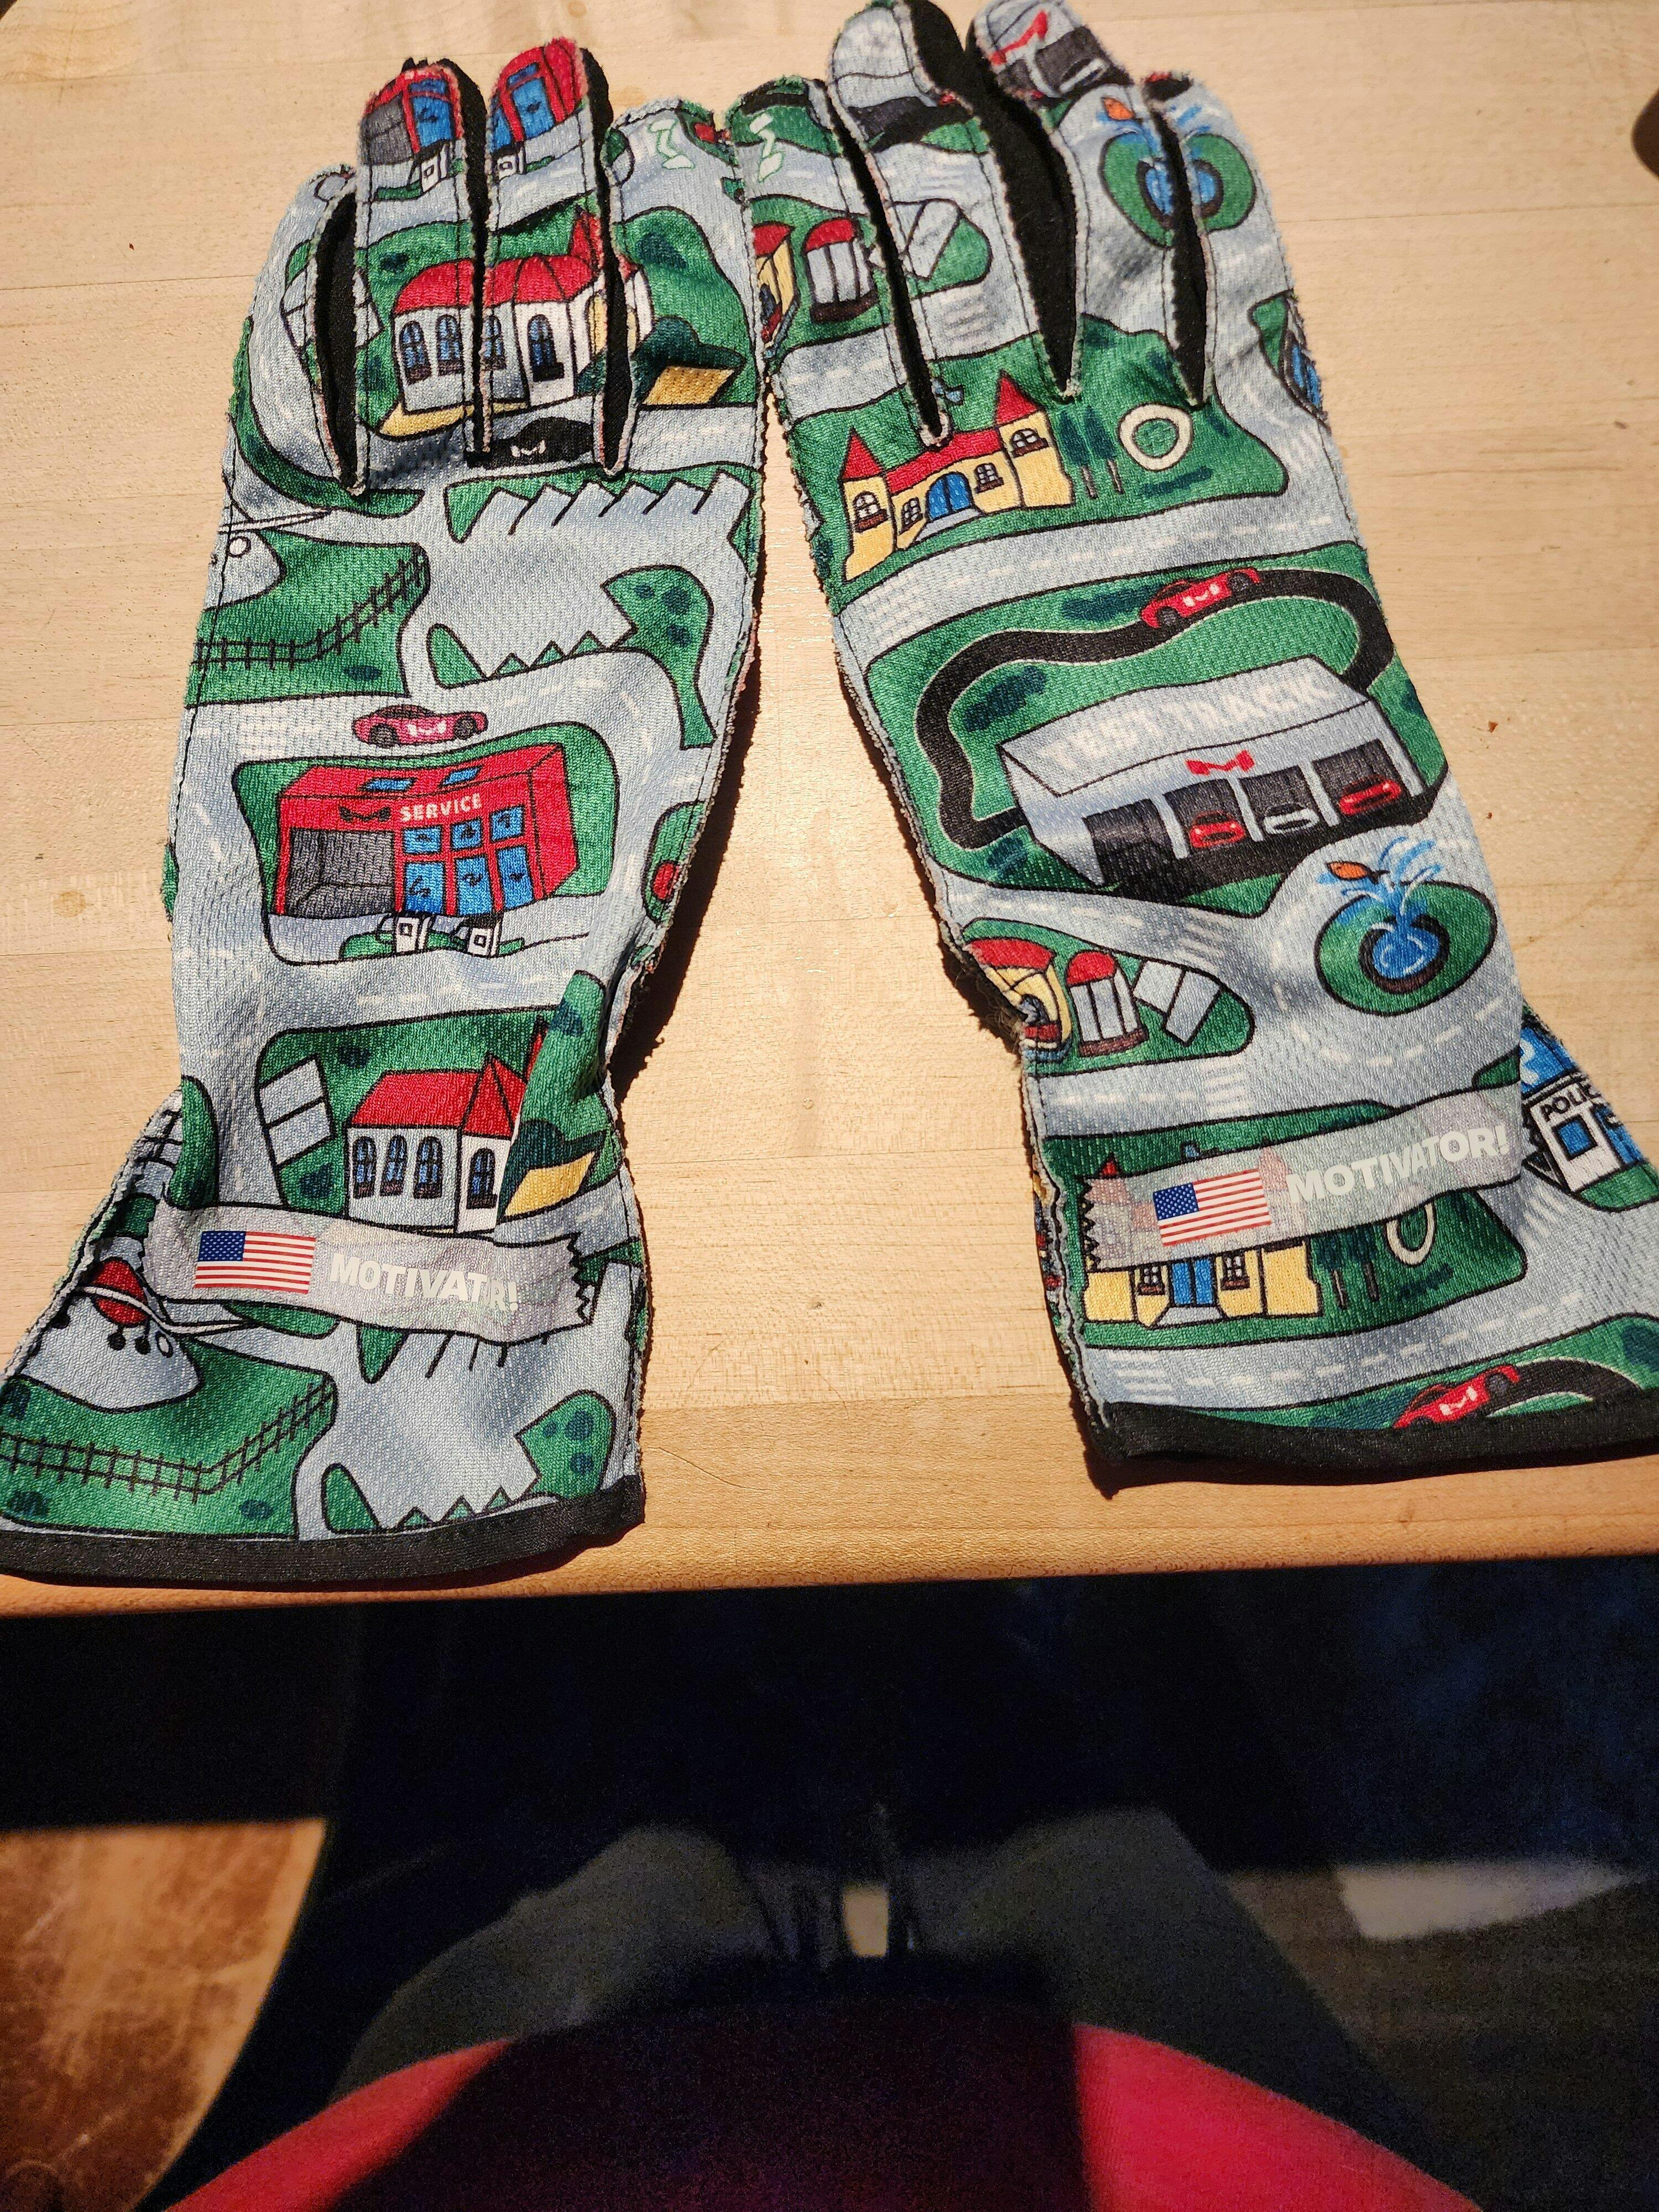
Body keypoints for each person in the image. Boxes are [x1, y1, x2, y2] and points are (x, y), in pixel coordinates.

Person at [170, 1813, 1480, 2209]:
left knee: (647, 1878)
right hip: (1200, 2149)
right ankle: (948, 1727)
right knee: (1088, 1858)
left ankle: (739, 1800)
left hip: (532, 2150)